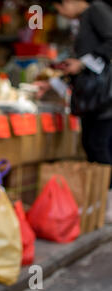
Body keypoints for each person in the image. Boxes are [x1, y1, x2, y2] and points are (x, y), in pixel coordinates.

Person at [38, 0, 112, 220]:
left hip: (102, 100)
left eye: (59, 8)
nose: (62, 14)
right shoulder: (84, 19)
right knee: (92, 146)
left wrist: (82, 63)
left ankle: (106, 203)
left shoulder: (96, 9)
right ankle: (98, 202)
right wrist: (55, 83)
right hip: (92, 100)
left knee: (98, 147)